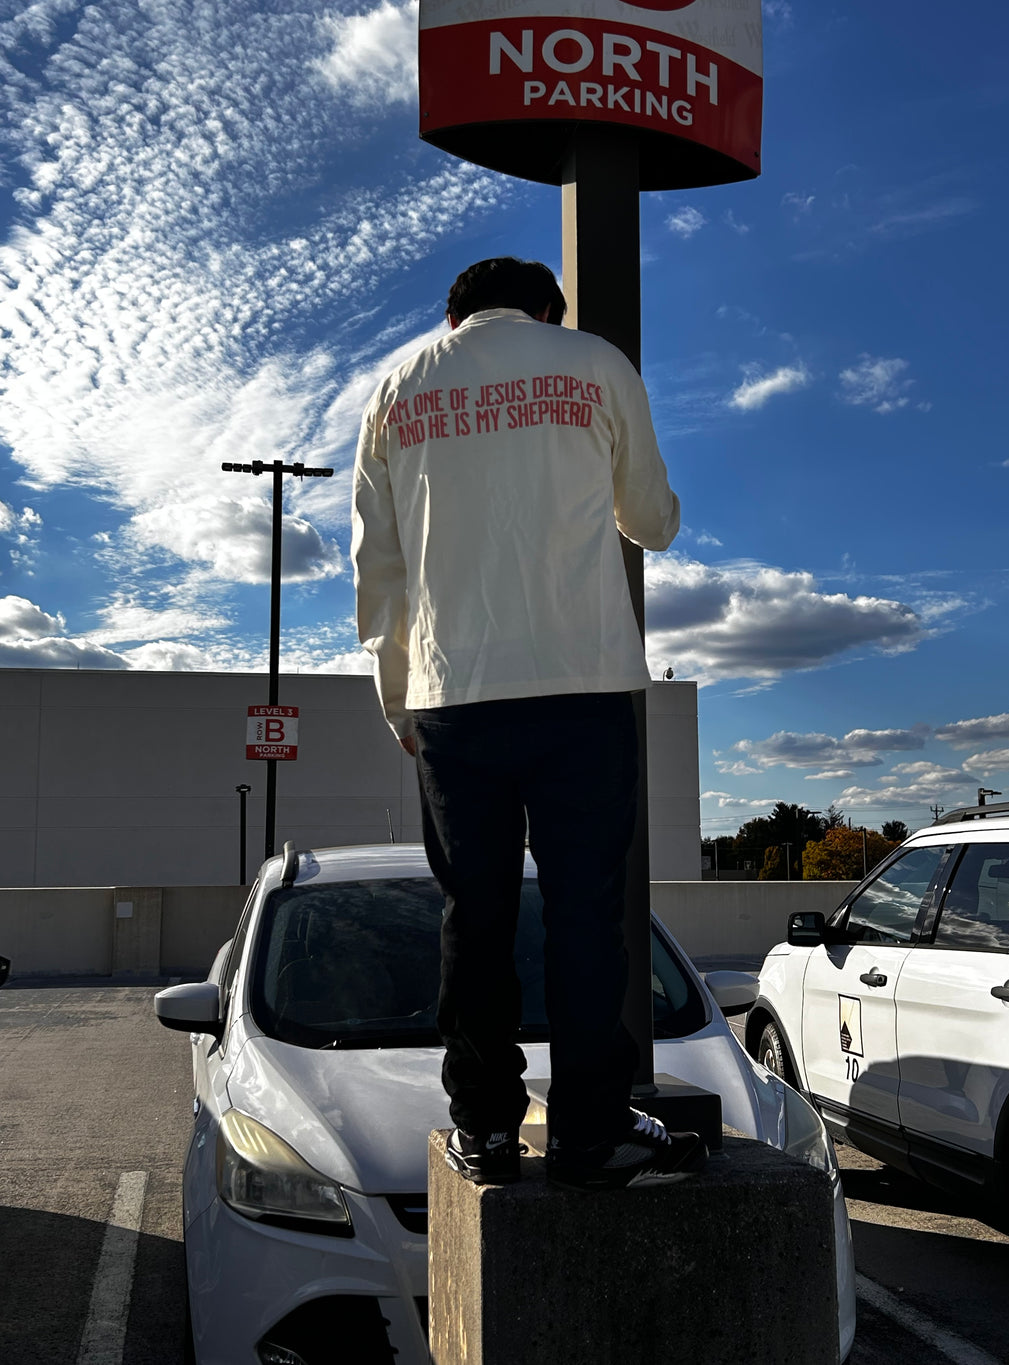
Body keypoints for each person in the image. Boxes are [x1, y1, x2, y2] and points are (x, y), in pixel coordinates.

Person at [351, 256, 706, 1191]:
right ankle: (588, 1128)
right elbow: (652, 521)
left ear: (452, 316)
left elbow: (377, 568)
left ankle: (485, 1129)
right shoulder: (594, 363)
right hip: (580, 684)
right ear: (548, 309)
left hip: (450, 695)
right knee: (587, 913)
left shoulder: (396, 388)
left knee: (476, 915)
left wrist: (398, 697)